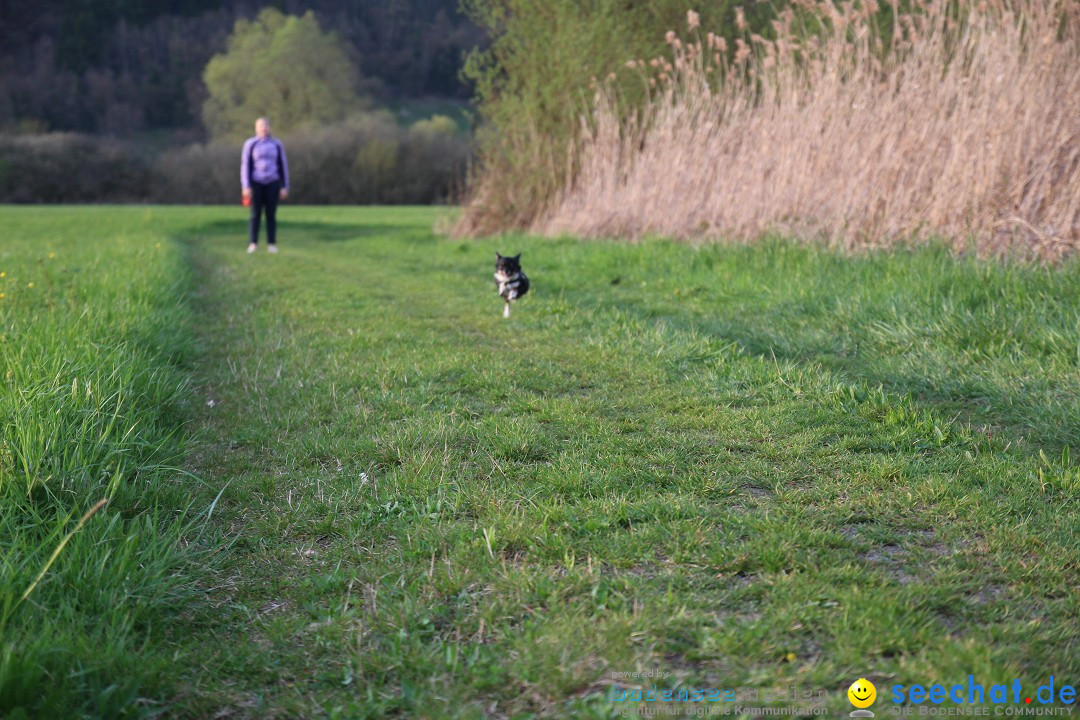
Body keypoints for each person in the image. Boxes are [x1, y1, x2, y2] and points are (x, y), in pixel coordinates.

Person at [241, 117, 290, 253]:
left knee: (271, 214)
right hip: (255, 183)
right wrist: (246, 186)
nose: (263, 128)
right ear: (256, 128)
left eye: (266, 125)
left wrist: (285, 186)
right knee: (255, 213)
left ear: (270, 127)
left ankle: (271, 243)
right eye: (260, 126)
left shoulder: (277, 144)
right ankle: (253, 243)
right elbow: (245, 166)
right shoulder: (250, 144)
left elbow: (283, 166)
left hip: (273, 183)